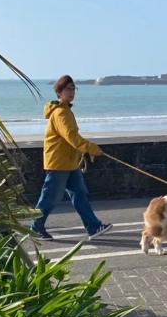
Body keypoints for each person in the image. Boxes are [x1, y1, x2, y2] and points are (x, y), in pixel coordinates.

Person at [29, 75, 114, 241]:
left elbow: (71, 139)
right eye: (68, 89)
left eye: (74, 88)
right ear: (59, 92)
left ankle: (93, 227)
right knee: (50, 198)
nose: (72, 92)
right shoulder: (61, 113)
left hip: (70, 163)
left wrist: (84, 151)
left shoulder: (66, 111)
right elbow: (71, 137)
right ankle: (36, 227)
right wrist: (91, 148)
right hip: (58, 163)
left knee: (80, 195)